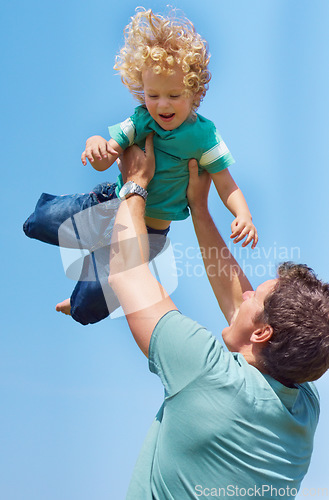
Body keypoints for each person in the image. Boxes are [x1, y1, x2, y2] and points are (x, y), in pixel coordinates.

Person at [108, 135, 329, 499]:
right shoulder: (303, 406)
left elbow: (127, 272)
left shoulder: (206, 373)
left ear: (262, 334)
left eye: (253, 294)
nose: (244, 291)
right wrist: (199, 207)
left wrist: (135, 183)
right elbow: (242, 314)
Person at [23, 7, 258, 325]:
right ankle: (62, 243)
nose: (162, 104)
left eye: (174, 95)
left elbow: (226, 182)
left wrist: (242, 214)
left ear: (195, 91)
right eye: (153, 94)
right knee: (41, 220)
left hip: (147, 233)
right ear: (140, 90)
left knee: (90, 303)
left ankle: (79, 300)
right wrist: (97, 147)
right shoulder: (141, 119)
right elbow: (109, 155)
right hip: (111, 204)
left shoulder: (203, 135)